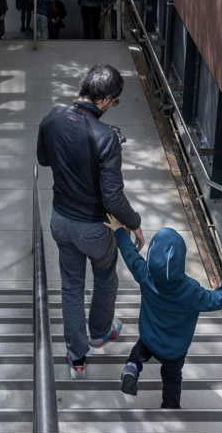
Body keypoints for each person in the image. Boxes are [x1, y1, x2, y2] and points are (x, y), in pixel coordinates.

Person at [37, 65, 144, 380]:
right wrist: (134, 223)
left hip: (60, 220)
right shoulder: (106, 137)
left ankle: (77, 357)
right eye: (115, 102)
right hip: (94, 228)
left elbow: (44, 159)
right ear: (107, 100)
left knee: (71, 287)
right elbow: (113, 198)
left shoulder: (52, 117)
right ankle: (100, 333)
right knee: (105, 276)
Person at [105, 216, 222, 406]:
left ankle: (132, 368)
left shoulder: (144, 274)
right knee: (172, 379)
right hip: (174, 350)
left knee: (139, 352)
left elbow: (130, 253)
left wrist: (119, 230)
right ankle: (170, 408)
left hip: (149, 336)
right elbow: (218, 300)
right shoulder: (191, 292)